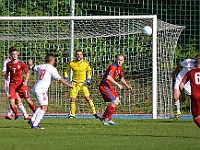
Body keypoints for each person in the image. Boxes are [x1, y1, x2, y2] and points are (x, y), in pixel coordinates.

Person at [28, 53, 74, 129]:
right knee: (44, 107)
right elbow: (60, 79)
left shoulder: (41, 66)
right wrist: (69, 85)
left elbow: (33, 68)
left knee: (42, 106)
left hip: (36, 88)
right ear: (52, 60)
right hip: (41, 89)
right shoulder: (51, 68)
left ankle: (32, 120)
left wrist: (31, 64)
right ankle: (35, 124)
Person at [2, 48, 36, 120]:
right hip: (12, 85)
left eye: (15, 54)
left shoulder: (21, 63)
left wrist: (26, 81)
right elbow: (6, 74)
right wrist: (5, 83)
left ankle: (36, 113)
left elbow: (27, 73)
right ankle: (17, 115)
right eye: (13, 54)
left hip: (21, 85)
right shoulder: (8, 64)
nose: (14, 55)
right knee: (12, 101)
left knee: (28, 100)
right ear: (11, 55)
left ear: (18, 54)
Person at [64, 50, 99, 119]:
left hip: (83, 84)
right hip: (74, 84)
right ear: (75, 55)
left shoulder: (86, 63)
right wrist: (66, 78)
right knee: (72, 99)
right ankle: (72, 115)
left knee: (88, 98)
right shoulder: (71, 63)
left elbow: (89, 71)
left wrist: (89, 78)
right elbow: (66, 71)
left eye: (80, 54)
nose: (79, 56)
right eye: (77, 54)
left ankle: (94, 113)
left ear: (82, 55)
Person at [99, 54, 132, 126]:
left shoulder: (120, 68)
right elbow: (108, 77)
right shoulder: (113, 67)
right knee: (114, 102)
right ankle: (104, 118)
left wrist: (127, 86)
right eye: (118, 60)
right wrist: (117, 84)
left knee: (117, 101)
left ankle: (109, 119)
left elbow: (122, 79)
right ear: (116, 60)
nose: (119, 61)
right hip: (104, 86)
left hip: (108, 86)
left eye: (121, 60)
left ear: (123, 61)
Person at [172, 54, 200, 120]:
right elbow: (179, 65)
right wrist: (174, 72)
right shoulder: (188, 62)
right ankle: (178, 112)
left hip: (190, 83)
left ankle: (196, 114)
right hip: (180, 80)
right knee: (175, 97)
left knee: (194, 98)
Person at [180, 57, 200, 128]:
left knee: (196, 117)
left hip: (195, 96)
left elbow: (181, 85)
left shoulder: (190, 72)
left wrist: (183, 95)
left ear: (195, 64)